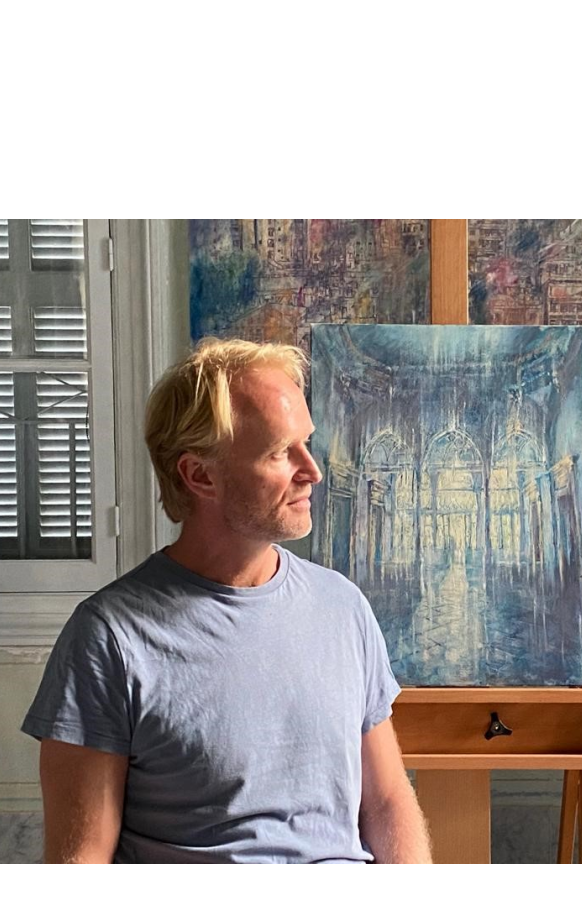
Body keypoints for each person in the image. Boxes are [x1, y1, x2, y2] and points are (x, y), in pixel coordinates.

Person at [23, 337, 432, 864]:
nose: (312, 470)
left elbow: (387, 801)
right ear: (200, 475)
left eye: (306, 442)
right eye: (280, 452)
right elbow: (81, 855)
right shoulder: (110, 637)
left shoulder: (343, 607)